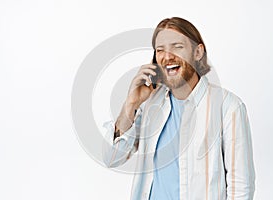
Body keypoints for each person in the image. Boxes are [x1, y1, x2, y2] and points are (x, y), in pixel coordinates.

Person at [102, 17, 255, 200]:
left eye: (177, 47)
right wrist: (131, 103)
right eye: (160, 50)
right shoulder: (150, 104)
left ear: (198, 52)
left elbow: (241, 189)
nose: (167, 57)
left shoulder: (229, 107)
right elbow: (111, 158)